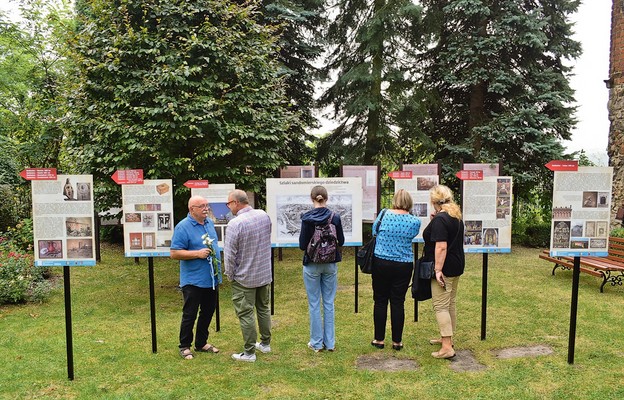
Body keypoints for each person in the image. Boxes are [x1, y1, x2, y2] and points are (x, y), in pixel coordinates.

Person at [170, 195, 222, 360]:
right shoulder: (183, 227)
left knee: (208, 311)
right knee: (190, 313)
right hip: (193, 280)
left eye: (207, 205)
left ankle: (201, 343)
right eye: (202, 206)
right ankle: (184, 346)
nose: (206, 209)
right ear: (192, 209)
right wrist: (196, 254)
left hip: (211, 278)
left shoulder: (209, 223)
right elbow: (174, 253)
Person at [224, 189, 273, 362]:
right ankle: (265, 344)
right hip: (264, 273)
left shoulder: (235, 224)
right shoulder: (263, 215)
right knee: (263, 308)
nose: (228, 206)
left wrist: (230, 275)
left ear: (236, 203)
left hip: (244, 277)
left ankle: (249, 353)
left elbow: (229, 255)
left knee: (245, 314)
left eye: (229, 203)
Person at [370, 189, 421, 351]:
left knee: (380, 300)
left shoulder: (383, 214)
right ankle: (397, 341)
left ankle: (379, 339)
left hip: (381, 261)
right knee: (398, 301)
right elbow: (411, 236)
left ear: (394, 200)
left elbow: (374, 232)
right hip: (403, 264)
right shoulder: (414, 221)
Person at [298, 186, 345, 352]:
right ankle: (330, 343)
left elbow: (303, 245)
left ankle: (316, 343)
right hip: (331, 263)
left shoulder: (307, 218)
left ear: (312, 198)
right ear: (327, 198)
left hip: (311, 264)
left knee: (314, 303)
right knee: (329, 303)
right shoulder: (335, 217)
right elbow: (342, 241)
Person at [423, 185, 465, 359]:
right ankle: (447, 339)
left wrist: (438, 270)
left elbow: (441, 246)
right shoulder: (455, 216)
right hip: (457, 264)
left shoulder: (441, 219)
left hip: (445, 266)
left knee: (440, 305)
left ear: (434, 201)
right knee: (450, 303)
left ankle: (447, 347)